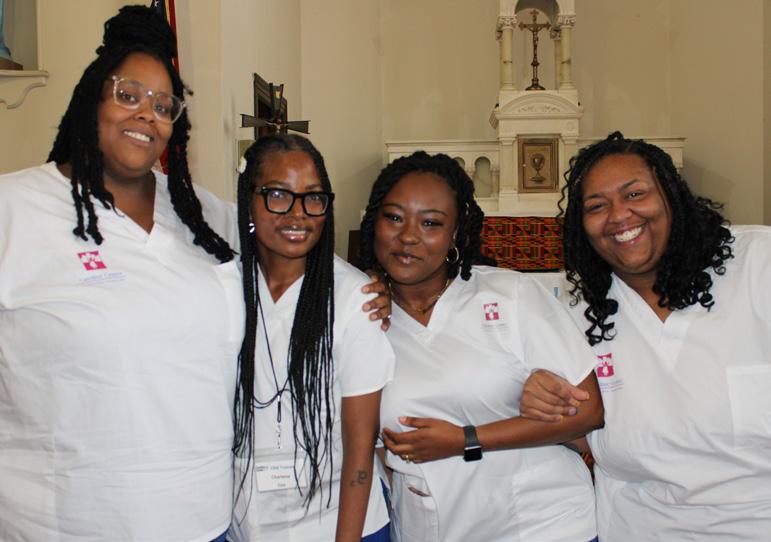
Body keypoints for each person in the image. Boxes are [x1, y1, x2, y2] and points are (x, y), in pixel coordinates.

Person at [0, 6, 243, 542]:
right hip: (64, 524)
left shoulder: (208, 217)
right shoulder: (13, 209)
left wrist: (375, 291)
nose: (146, 115)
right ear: (92, 98)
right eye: (128, 95)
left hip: (203, 520)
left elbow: (296, 265)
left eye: (163, 105)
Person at [519, 132, 771, 541]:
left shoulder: (758, 263)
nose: (619, 215)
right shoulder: (575, 309)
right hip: (641, 527)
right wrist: (545, 400)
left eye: (635, 194)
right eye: (596, 206)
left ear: (671, 196)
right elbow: (583, 430)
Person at [358, 151, 605, 542]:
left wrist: (466, 439)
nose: (408, 236)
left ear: (456, 233)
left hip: (541, 525)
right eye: (394, 217)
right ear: (374, 222)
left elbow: (589, 411)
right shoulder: (361, 316)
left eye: (431, 222)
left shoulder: (510, 293)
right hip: (431, 527)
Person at [229, 134, 394, 542]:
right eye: (278, 195)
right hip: (246, 519)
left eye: (313, 198)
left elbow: (360, 448)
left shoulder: (355, 298)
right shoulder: (224, 288)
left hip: (337, 521)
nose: (298, 213)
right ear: (249, 200)